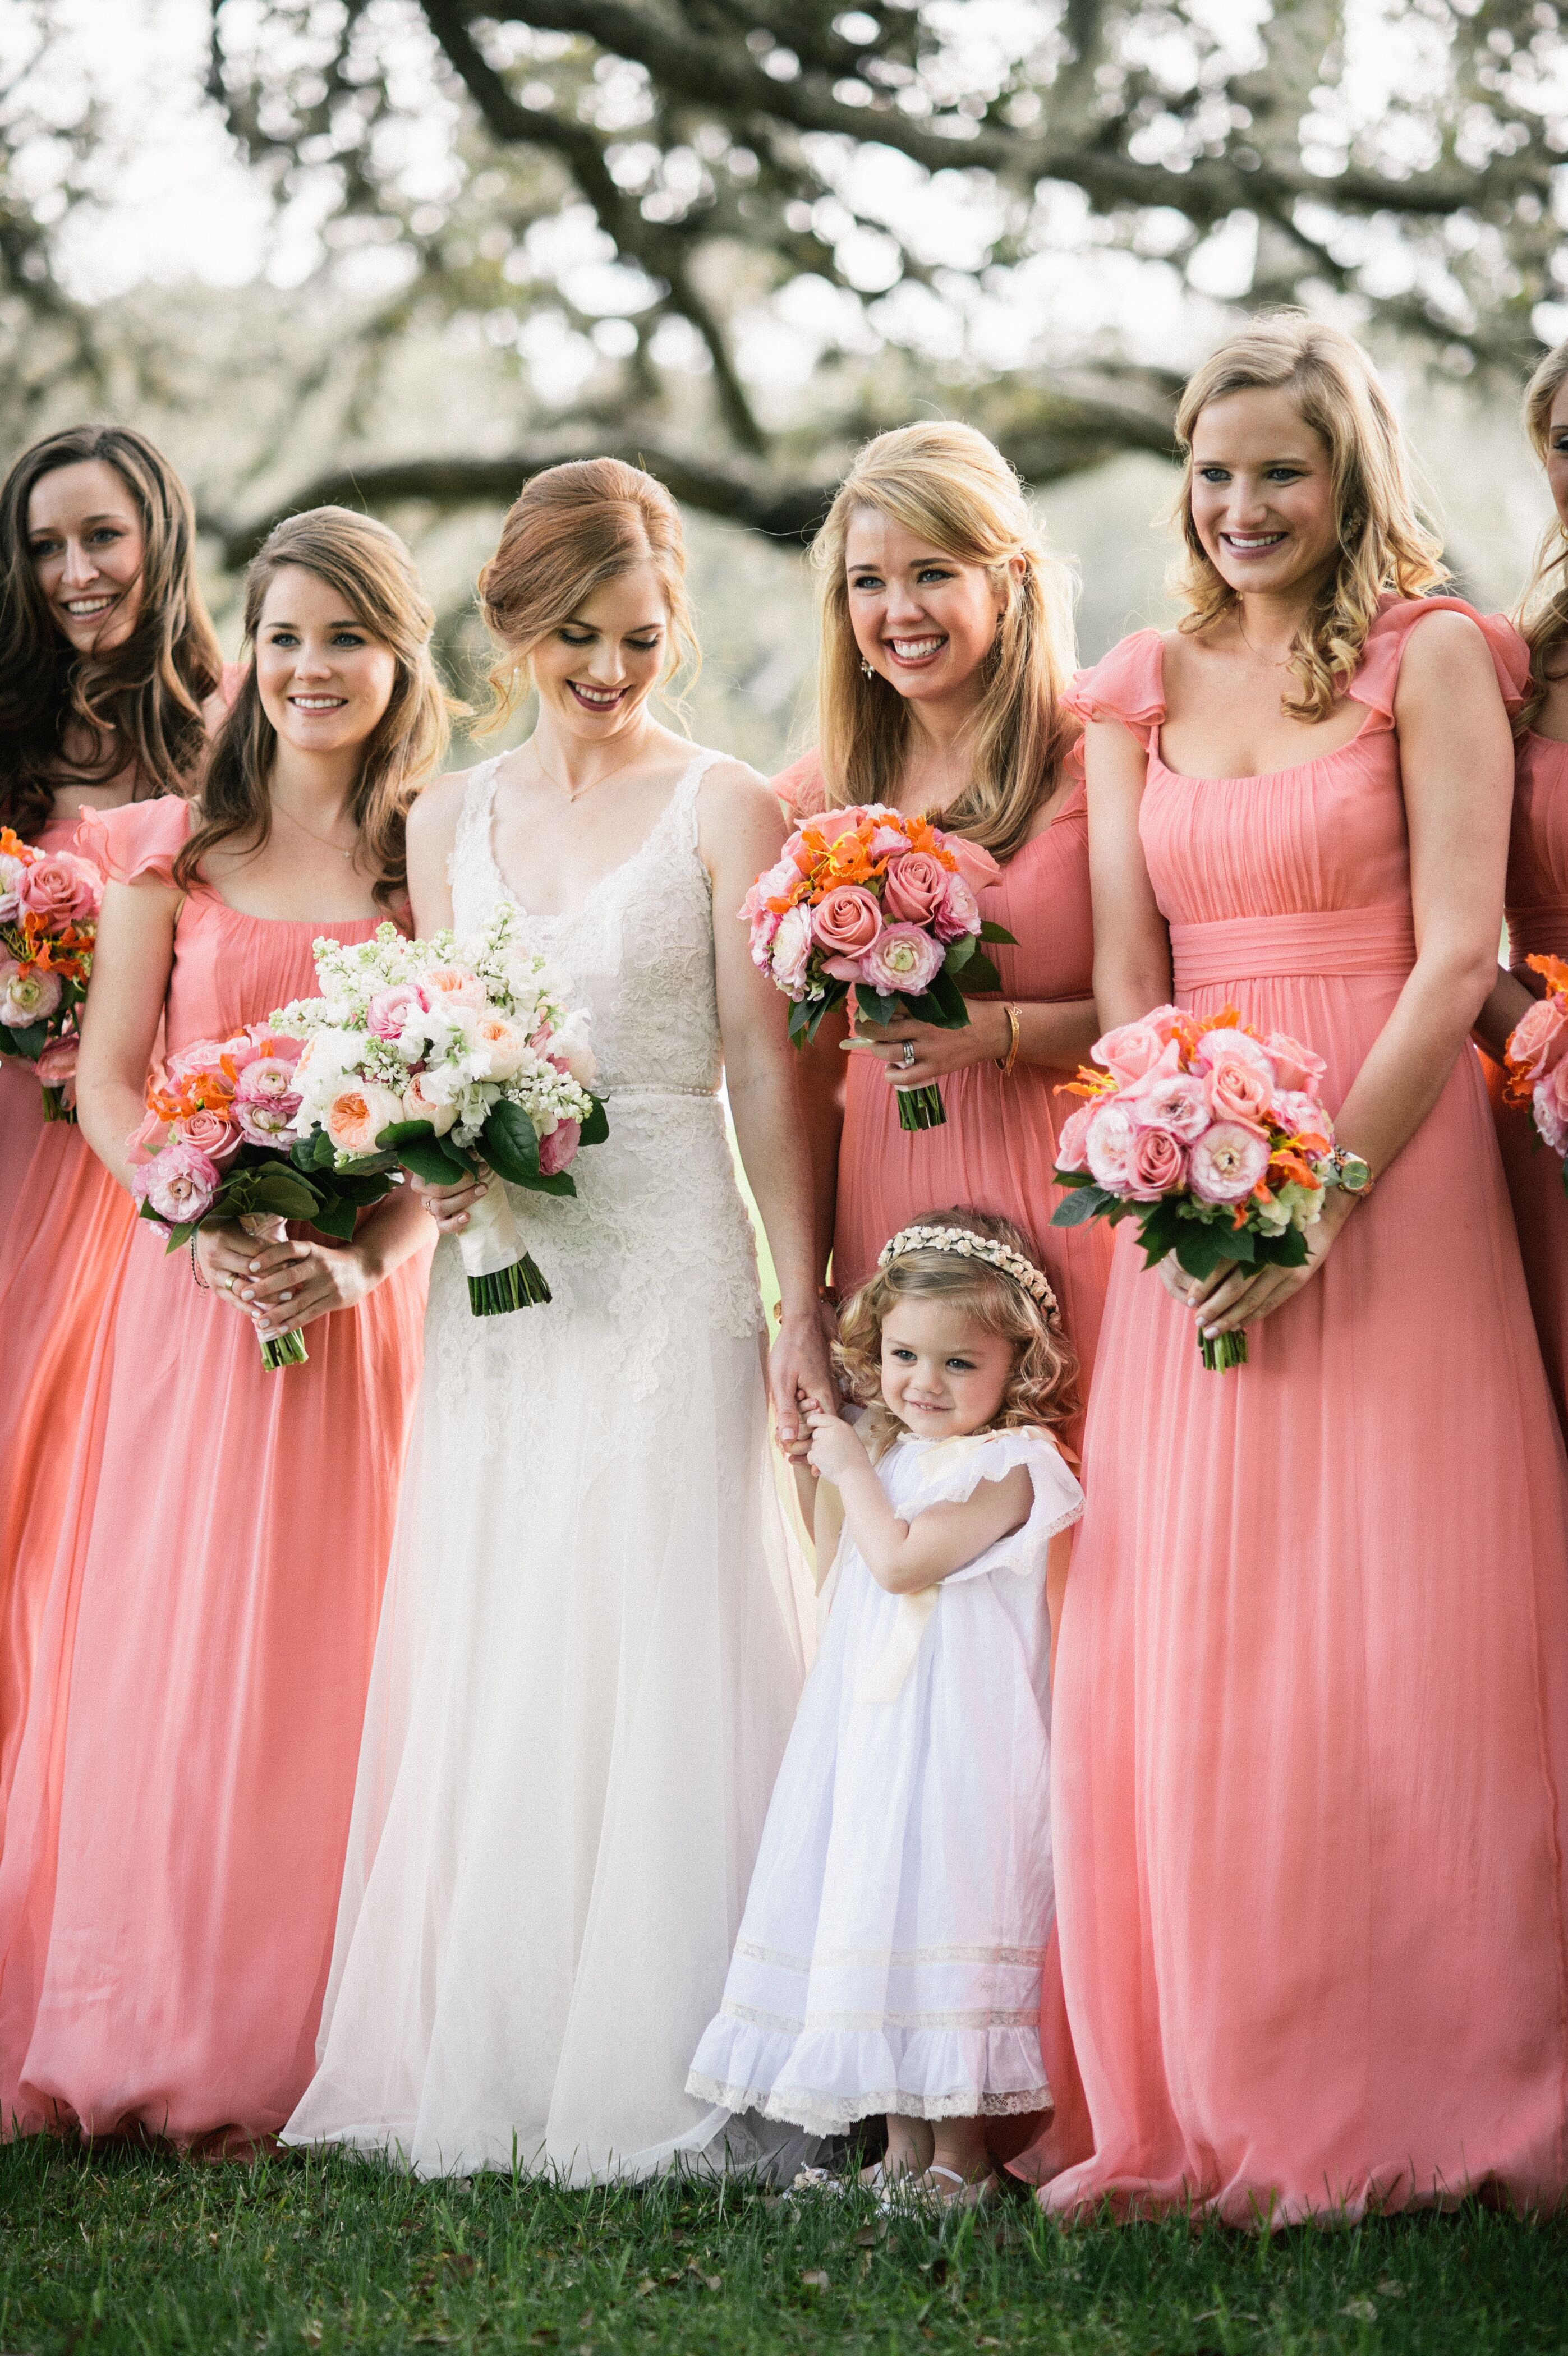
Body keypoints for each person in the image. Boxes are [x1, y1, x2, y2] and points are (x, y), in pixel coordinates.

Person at [1043, 314, 1568, 2223]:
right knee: (1199, 1631)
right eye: (1210, 469)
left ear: (1345, 476)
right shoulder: (1139, 681)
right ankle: (1199, 2088)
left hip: (1392, 1166)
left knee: (1407, 1622)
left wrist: (1317, 1198)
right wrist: (1174, 1164)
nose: (1238, 503)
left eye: (1278, 468)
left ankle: (1439, 2085)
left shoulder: (1429, 661)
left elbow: (1453, 952)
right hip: (1187, 1181)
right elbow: (1123, 972)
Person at [284, 458, 836, 2183]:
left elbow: (761, 1067)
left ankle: (683, 2057)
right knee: (510, 1622)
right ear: (513, 627)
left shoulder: (727, 804)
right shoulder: (443, 821)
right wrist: (429, 1163)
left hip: (673, 1255)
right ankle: (511, 2045)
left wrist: (793, 1293)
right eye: (579, 637)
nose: (612, 670)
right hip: (503, 1277)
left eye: (641, 636)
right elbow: (428, 1043)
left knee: (669, 1619)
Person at [0, 507, 442, 2150]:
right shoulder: (167, 856)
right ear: (245, 656)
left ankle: (285, 2038)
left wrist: (352, 1261)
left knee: (325, 1663)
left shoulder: (428, 869)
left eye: (346, 637)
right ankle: (124, 2018)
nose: (312, 666)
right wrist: (194, 1204)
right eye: (285, 636)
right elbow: (109, 1086)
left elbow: (447, 1120)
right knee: (162, 1655)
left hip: (349, 1321)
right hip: (183, 1309)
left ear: (399, 664)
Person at [688, 1211, 1083, 2210]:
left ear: (1018, 1367)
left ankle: (965, 2157)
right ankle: (902, 2154)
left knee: (950, 1903)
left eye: (960, 1363)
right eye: (905, 1355)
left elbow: (904, 1558)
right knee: (882, 1907)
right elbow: (844, 1571)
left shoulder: (1016, 1465)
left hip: (960, 1737)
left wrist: (853, 1466)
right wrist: (833, 1461)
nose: (924, 1384)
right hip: (873, 1732)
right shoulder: (899, 1453)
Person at [775, 422, 1112, 1405]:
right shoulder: (809, 804)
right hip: (893, 1203)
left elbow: (1157, 1010)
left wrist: (998, 1034)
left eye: (931, 573)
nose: (898, 611)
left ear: (1005, 582)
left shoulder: (1101, 757)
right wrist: (805, 1295)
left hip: (1075, 1193)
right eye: (867, 582)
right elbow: (799, 1084)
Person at [0, 425, 233, 1831]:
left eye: (101, 536)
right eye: (43, 546)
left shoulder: (229, 735)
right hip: (3, 1138)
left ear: (160, 533)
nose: (75, 573)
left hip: (129, 1159)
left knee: (85, 1501)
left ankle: (57, 1817)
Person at [1474, 339, 1568, 1438]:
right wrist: (1547, 1046)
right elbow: (1452, 910)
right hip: (1534, 1103)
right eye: (1565, 441)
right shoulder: (1515, 669)